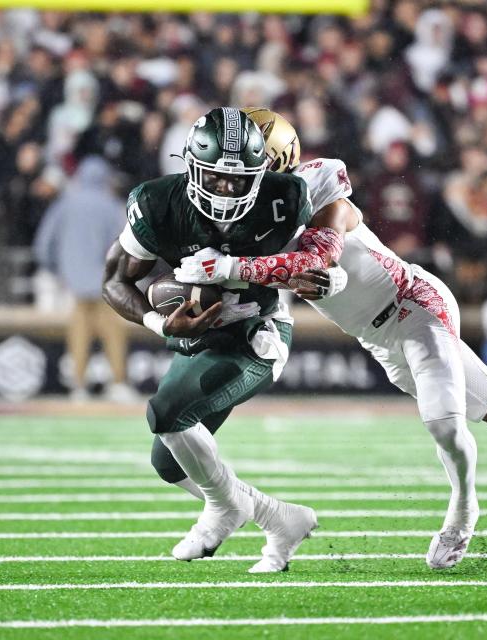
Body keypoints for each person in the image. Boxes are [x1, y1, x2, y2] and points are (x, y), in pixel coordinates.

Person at [176, 108, 487, 572]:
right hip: (376, 339)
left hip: (412, 304)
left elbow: (316, 259)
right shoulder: (245, 222)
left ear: (278, 164)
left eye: (244, 170)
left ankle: (463, 511)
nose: (230, 184)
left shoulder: (318, 186)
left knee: (442, 422)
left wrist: (233, 267)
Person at [102, 108, 331, 573]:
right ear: (190, 166)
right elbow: (113, 281)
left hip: (256, 332)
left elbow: (324, 255)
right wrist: (160, 324)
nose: (227, 189)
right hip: (199, 335)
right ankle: (278, 518)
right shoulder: (158, 202)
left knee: (166, 413)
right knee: (169, 463)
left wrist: (326, 276)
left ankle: (228, 509)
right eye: (216, 177)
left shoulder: (284, 197)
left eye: (240, 179)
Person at [33, 156, 135, 403]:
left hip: (74, 284)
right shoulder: (111, 205)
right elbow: (126, 244)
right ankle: (118, 384)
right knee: (113, 333)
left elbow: (44, 244)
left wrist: (58, 270)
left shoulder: (65, 204)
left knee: (78, 335)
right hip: (106, 283)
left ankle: (78, 386)